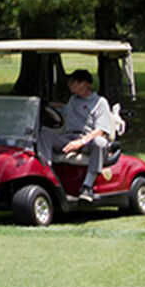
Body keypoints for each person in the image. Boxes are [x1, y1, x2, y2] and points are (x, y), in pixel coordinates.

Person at [36, 69, 113, 201]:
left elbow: (101, 130)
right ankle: (47, 175)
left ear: (83, 84)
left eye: (72, 82)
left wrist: (80, 142)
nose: (69, 85)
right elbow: (63, 109)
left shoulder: (100, 103)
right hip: (69, 137)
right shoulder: (74, 100)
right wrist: (42, 104)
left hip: (88, 141)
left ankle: (87, 186)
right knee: (44, 134)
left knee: (99, 142)